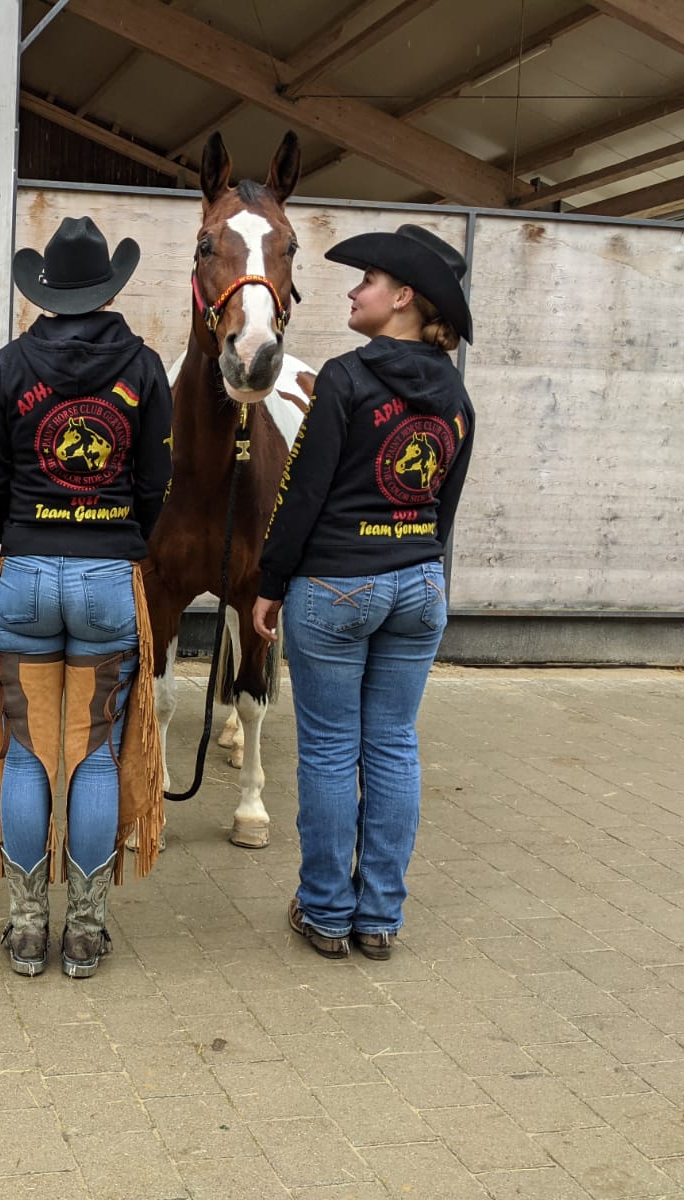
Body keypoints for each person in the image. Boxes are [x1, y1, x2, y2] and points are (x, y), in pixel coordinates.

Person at [251, 224, 475, 961]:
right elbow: (444, 506)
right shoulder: (457, 395)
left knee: (327, 750)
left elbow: (302, 493)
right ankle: (378, 917)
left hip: (337, 585)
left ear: (404, 296)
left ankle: (325, 914)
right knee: (394, 747)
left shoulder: (345, 379)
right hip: (419, 583)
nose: (353, 291)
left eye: (368, 280)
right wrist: (417, 563)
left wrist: (271, 582)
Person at [0, 217, 172, 979]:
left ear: (45, 290)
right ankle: (84, 933)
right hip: (107, 578)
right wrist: (122, 535)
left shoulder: (14, 363)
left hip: (25, 573)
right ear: (107, 288)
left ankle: (25, 930)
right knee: (93, 756)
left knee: (26, 752)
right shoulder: (143, 367)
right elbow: (155, 481)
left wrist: (20, 529)